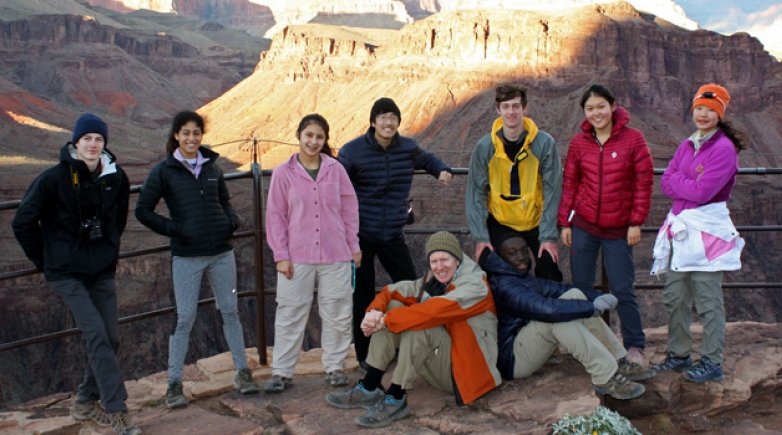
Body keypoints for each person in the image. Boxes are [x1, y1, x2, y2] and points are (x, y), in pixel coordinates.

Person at [12, 113, 141, 434]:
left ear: (104, 144)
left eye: (99, 139)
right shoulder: (53, 179)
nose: (93, 144)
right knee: (96, 335)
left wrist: (108, 247)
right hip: (66, 273)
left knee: (111, 336)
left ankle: (85, 399)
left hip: (100, 269)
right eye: (87, 139)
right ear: (75, 142)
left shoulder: (116, 178)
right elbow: (22, 222)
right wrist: (46, 261)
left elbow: (118, 221)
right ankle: (116, 408)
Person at [134, 110, 258, 409]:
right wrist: (176, 230)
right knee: (185, 317)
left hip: (222, 253)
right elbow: (143, 210)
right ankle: (174, 385)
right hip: (187, 256)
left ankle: (243, 373)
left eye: (196, 133)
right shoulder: (164, 170)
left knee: (230, 310)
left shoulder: (212, 167)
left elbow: (225, 200)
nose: (192, 138)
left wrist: (231, 221)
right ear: (176, 135)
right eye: (186, 132)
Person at [325, 231, 500, 428]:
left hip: (466, 370)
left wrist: (385, 321)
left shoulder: (475, 286)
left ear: (457, 260)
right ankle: (370, 386)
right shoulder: (436, 277)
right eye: (434, 261)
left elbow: (432, 312)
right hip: (445, 357)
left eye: (445, 260)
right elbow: (394, 290)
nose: (439, 267)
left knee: (421, 325)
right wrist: (374, 311)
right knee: (394, 306)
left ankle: (396, 398)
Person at [338, 97, 453, 367]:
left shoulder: (407, 148)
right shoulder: (352, 151)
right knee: (362, 297)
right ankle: (365, 355)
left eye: (393, 117)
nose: (388, 122)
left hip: (392, 234)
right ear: (373, 121)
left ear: (398, 122)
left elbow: (427, 159)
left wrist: (442, 169)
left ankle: (408, 346)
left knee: (409, 290)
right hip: (361, 236)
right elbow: (337, 183)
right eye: (383, 117)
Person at [480, 233, 654, 400]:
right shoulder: (505, 285)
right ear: (501, 257)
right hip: (514, 359)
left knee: (574, 293)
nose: (521, 257)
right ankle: (605, 377)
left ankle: (618, 359)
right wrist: (590, 307)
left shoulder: (518, 276)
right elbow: (545, 309)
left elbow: (558, 289)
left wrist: (595, 297)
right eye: (512, 253)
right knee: (558, 321)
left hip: (527, 340)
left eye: (524, 251)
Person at [650, 84, 746, 383]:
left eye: (710, 109)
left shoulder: (723, 149)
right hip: (682, 229)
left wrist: (682, 181)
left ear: (719, 114)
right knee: (675, 296)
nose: (703, 114)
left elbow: (704, 192)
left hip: (707, 232)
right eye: (699, 109)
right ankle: (679, 355)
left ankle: (712, 361)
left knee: (707, 298)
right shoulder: (686, 144)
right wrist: (686, 182)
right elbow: (666, 183)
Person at [557, 84, 654, 368]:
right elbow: (571, 184)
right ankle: (588, 344)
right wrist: (565, 222)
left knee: (623, 288)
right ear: (584, 113)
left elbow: (643, 183)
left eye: (601, 106)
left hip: (618, 229)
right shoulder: (579, 143)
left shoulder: (633, 140)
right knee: (582, 288)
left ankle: (634, 345)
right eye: (590, 108)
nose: (596, 113)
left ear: (612, 106)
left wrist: (636, 222)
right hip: (584, 225)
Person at [264, 114, 361, 392]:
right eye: (309, 135)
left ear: (325, 140)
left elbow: (349, 211)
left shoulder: (336, 170)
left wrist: (353, 247)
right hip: (297, 255)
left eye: (319, 137)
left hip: (336, 253)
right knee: (290, 313)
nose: (313, 142)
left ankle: (334, 367)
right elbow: (276, 216)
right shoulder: (284, 173)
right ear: (299, 136)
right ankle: (282, 371)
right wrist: (280, 254)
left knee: (338, 313)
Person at [466, 84, 563, 281]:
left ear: (524, 109)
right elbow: (476, 193)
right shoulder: (485, 147)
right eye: (506, 106)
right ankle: (504, 310)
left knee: (548, 267)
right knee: (492, 266)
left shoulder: (544, 144)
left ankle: (546, 309)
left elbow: (552, 191)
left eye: (516, 106)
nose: (511, 112)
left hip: (535, 220)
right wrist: (481, 238)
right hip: (501, 221)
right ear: (498, 110)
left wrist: (548, 237)